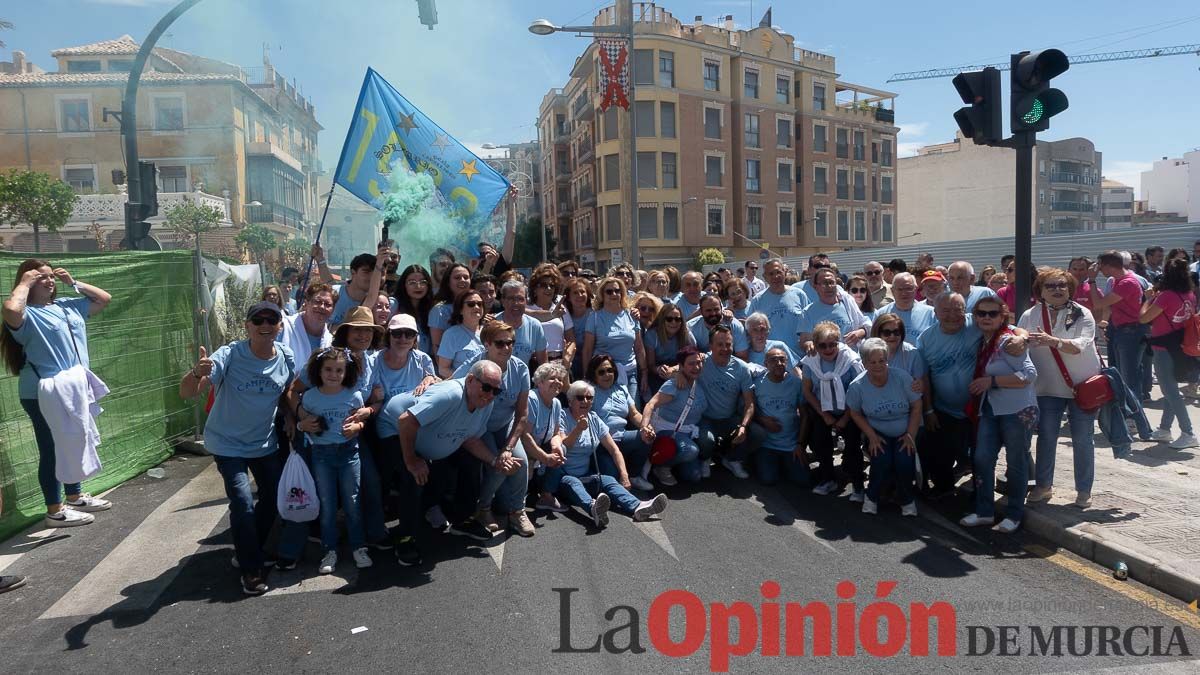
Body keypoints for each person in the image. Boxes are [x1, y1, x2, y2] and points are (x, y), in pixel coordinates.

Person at [179, 301, 295, 595]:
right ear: (248, 326)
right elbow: (188, 392)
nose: (266, 325)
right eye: (259, 320)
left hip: (264, 442)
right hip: (227, 443)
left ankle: (248, 548)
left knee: (273, 499)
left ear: (280, 326)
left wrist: (294, 416)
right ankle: (251, 568)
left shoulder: (285, 356)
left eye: (273, 320)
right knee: (242, 501)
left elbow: (286, 393)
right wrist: (196, 372)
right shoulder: (230, 354)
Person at [1, 259, 113, 528]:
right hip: (42, 392)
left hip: (74, 389)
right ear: (27, 282)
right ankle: (55, 509)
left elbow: (104, 299)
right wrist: (25, 283)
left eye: (51, 277)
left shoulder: (67, 306)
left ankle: (74, 496)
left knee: (73, 440)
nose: (49, 281)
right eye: (42, 278)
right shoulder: (27, 315)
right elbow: (10, 310)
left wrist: (73, 283)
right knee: (52, 448)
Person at [377, 361, 511, 564]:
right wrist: (412, 460)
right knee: (414, 476)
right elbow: (406, 420)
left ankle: (462, 519)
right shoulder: (449, 394)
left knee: (470, 463)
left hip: (427, 436)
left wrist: (494, 461)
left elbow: (471, 439)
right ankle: (405, 538)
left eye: (496, 390)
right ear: (471, 380)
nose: (491, 394)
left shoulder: (486, 403)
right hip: (395, 429)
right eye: (486, 387)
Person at [1019, 268, 1101, 507]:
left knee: (1083, 439)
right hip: (1046, 388)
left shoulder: (1082, 313)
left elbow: (1080, 345)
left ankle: (1084, 490)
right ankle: (1044, 486)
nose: (1057, 290)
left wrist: (1052, 341)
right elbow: (1019, 341)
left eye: (1061, 285)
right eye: (1050, 286)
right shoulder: (1030, 315)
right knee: (1046, 437)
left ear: (1070, 289)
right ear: (1040, 291)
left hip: (1081, 387)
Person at [961, 296, 1038, 534]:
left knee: (1016, 462)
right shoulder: (985, 340)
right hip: (991, 409)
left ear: (1002, 315)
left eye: (992, 313)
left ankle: (1014, 514)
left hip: (1017, 411)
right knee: (982, 458)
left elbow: (1028, 375)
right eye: (981, 313)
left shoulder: (1007, 341)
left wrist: (991, 381)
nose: (986, 317)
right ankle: (985, 511)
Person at [546, 381, 669, 527]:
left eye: (589, 398)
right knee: (573, 482)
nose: (585, 401)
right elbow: (564, 445)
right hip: (563, 477)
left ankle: (637, 506)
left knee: (608, 479)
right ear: (571, 401)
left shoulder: (594, 418)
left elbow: (614, 449)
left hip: (587, 475)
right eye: (580, 398)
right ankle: (593, 508)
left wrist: (624, 476)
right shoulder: (562, 416)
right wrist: (578, 429)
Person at [295, 347, 372, 573]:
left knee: (353, 502)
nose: (333, 374)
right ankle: (330, 550)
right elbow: (304, 427)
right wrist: (301, 425)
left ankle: (359, 546)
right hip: (322, 455)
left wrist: (358, 426)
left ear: (346, 371)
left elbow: (361, 421)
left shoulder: (353, 395)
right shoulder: (309, 398)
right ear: (318, 371)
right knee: (327, 505)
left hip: (349, 453)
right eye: (328, 369)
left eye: (339, 370)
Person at [453, 322, 534, 537]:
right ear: (487, 344)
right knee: (499, 465)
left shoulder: (520, 369)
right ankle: (484, 507)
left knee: (521, 462)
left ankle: (517, 510)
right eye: (500, 343)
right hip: (480, 427)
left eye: (511, 343)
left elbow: (522, 414)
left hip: (505, 424)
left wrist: (509, 446)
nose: (507, 348)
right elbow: (451, 385)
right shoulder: (475, 365)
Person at [846, 338, 922, 516]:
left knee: (904, 460)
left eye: (882, 360)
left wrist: (910, 435)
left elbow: (917, 406)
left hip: (904, 431)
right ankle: (871, 497)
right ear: (864, 363)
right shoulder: (857, 386)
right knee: (881, 459)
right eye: (872, 362)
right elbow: (855, 413)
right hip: (877, 432)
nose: (878, 365)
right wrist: (871, 436)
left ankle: (907, 499)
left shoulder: (902, 377)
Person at [917, 293, 979, 497]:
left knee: (982, 453)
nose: (952, 315)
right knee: (940, 454)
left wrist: (1021, 337)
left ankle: (980, 491)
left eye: (957, 309)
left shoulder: (977, 325)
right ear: (935, 313)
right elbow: (924, 377)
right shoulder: (926, 338)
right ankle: (944, 490)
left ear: (965, 310)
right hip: (943, 409)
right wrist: (928, 410)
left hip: (978, 407)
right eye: (945, 310)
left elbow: (1010, 329)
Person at [801, 322, 866, 499]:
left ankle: (858, 486)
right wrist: (824, 415)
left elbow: (859, 393)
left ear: (839, 342)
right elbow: (807, 391)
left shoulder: (851, 361)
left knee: (853, 446)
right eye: (822, 345)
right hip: (823, 410)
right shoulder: (810, 362)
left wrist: (845, 418)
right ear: (815, 345)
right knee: (821, 443)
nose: (828, 349)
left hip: (850, 411)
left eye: (833, 344)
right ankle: (828, 479)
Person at [1141, 258, 1197, 449]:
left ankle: (1188, 432)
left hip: (1163, 347)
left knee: (1170, 390)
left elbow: (1143, 318)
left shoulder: (1164, 296)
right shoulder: (1190, 294)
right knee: (1169, 388)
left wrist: (1148, 298)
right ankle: (1165, 429)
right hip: (1180, 344)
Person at [696, 325, 762, 480]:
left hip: (729, 418)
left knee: (758, 434)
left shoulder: (742, 368)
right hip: (705, 418)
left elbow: (749, 403)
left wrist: (743, 426)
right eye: (720, 344)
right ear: (710, 346)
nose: (725, 349)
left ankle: (731, 459)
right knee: (707, 442)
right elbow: (681, 368)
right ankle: (706, 458)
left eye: (728, 345)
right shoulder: (701, 362)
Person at [1089, 250, 1148, 411]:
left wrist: (1092, 281)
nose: (1098, 269)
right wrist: (1104, 325)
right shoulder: (1117, 280)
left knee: (1130, 377)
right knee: (1121, 374)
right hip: (1120, 329)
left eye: (1100, 266)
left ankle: (1136, 417)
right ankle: (1127, 412)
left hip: (1131, 331)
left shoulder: (1127, 282)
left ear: (1108, 266)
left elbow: (1098, 304)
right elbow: (1108, 307)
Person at [640, 346, 707, 485]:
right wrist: (644, 427)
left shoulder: (698, 380)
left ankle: (673, 461)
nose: (696, 367)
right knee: (691, 450)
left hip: (689, 432)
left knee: (694, 476)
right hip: (669, 431)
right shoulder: (673, 385)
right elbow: (651, 405)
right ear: (681, 366)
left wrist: (676, 372)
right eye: (691, 364)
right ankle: (661, 467)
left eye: (698, 362)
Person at [587, 354, 653, 491]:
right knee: (613, 478)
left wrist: (646, 427)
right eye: (601, 372)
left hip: (622, 437)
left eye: (610, 370)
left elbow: (634, 414)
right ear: (594, 375)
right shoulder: (588, 392)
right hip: (602, 444)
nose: (607, 374)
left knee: (646, 437)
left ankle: (634, 475)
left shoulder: (622, 389)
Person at [750, 346, 810, 486]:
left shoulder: (796, 383)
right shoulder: (757, 383)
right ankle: (761, 460)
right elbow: (750, 408)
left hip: (791, 444)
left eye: (782, 360)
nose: (778, 363)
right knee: (768, 479)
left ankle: (784, 464)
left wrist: (800, 444)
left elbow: (805, 416)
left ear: (787, 362)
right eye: (773, 360)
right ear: (765, 364)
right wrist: (762, 419)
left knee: (803, 481)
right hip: (767, 444)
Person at [583, 276, 647, 402]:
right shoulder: (594, 317)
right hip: (603, 374)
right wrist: (586, 376)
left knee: (635, 411)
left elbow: (639, 348)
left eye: (617, 291)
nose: (614, 294)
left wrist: (644, 373)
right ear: (602, 294)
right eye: (609, 291)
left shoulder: (632, 315)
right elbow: (587, 350)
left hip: (629, 372)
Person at [525, 362, 569, 512]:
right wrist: (543, 457)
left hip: (539, 447)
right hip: (524, 448)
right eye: (552, 378)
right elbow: (524, 436)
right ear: (540, 382)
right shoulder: (531, 399)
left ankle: (546, 496)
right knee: (503, 505)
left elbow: (556, 434)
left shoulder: (556, 403)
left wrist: (556, 446)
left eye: (560, 379)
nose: (558, 382)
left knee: (561, 448)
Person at [797, 268, 870, 353]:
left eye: (832, 282)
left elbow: (865, 324)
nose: (829, 286)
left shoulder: (847, 302)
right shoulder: (808, 312)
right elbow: (805, 340)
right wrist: (809, 345)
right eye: (825, 283)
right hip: (825, 361)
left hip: (851, 360)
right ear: (815, 287)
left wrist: (859, 333)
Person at [375, 314, 438, 402]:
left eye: (409, 334)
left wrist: (431, 379)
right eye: (397, 333)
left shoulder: (423, 360)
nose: (403, 339)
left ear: (415, 338)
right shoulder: (373, 362)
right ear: (388, 336)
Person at [747, 259, 807, 346]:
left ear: (785, 272)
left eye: (778, 272)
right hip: (771, 356)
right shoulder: (757, 300)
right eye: (771, 274)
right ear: (765, 277)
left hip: (799, 355)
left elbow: (809, 324)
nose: (776, 276)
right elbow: (750, 329)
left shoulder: (799, 295)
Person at [277, 283, 335, 368]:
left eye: (328, 304)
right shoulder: (284, 327)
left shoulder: (330, 341)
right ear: (306, 303)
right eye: (317, 302)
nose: (322, 307)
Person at [330, 253, 394, 327]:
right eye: (366, 272)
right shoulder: (332, 293)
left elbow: (371, 296)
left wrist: (380, 261)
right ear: (353, 272)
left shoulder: (380, 302)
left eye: (374, 273)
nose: (371, 277)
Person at [873, 273, 936, 346]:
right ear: (892, 291)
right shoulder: (881, 314)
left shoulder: (931, 313)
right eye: (900, 289)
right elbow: (874, 343)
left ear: (916, 289)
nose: (904, 293)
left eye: (908, 288)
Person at [435, 290, 485, 378]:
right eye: (471, 304)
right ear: (460, 310)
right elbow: (443, 369)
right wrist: (468, 380)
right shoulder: (451, 335)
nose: (476, 307)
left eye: (480, 304)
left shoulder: (489, 331)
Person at [644, 302, 692, 392]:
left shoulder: (685, 334)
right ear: (662, 320)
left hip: (679, 368)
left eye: (677, 319)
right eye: (669, 319)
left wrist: (674, 371)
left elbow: (690, 359)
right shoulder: (652, 335)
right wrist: (659, 369)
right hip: (657, 373)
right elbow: (650, 365)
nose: (674, 322)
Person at [428, 263, 473, 356]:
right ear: (448, 282)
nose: (462, 280)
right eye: (457, 278)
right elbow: (437, 347)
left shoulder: (475, 305)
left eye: (466, 277)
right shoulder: (439, 311)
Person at [870, 313, 927, 384]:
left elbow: (922, 383)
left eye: (896, 332)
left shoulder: (912, 354)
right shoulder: (868, 353)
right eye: (887, 333)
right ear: (878, 334)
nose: (892, 336)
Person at [527, 265, 565, 366]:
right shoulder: (526, 307)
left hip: (559, 362)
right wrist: (552, 315)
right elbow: (533, 315)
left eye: (552, 286)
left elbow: (571, 339)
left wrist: (567, 359)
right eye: (544, 285)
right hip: (535, 363)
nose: (548, 289)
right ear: (534, 289)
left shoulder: (561, 306)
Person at [394, 264, 435, 355]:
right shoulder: (394, 305)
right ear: (404, 285)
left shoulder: (432, 310)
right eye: (412, 282)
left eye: (423, 282)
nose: (418, 286)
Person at [561, 277, 594, 379]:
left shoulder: (595, 314)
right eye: (575, 293)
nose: (579, 295)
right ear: (568, 297)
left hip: (592, 362)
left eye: (582, 292)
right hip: (570, 363)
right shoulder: (562, 315)